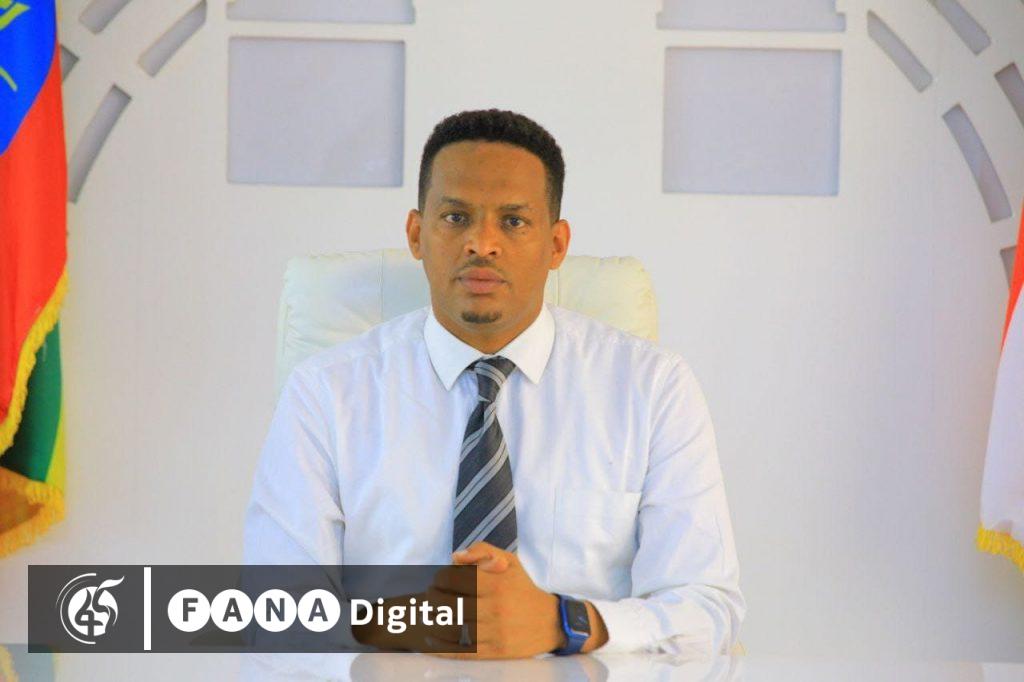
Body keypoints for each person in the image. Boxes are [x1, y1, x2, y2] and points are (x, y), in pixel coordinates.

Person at [243, 109, 746, 659]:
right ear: (417, 234)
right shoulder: (325, 393)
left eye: (513, 221)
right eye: (456, 217)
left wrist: (564, 623)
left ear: (557, 245)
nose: (481, 243)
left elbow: (708, 609)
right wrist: (408, 623)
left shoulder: (653, 389)